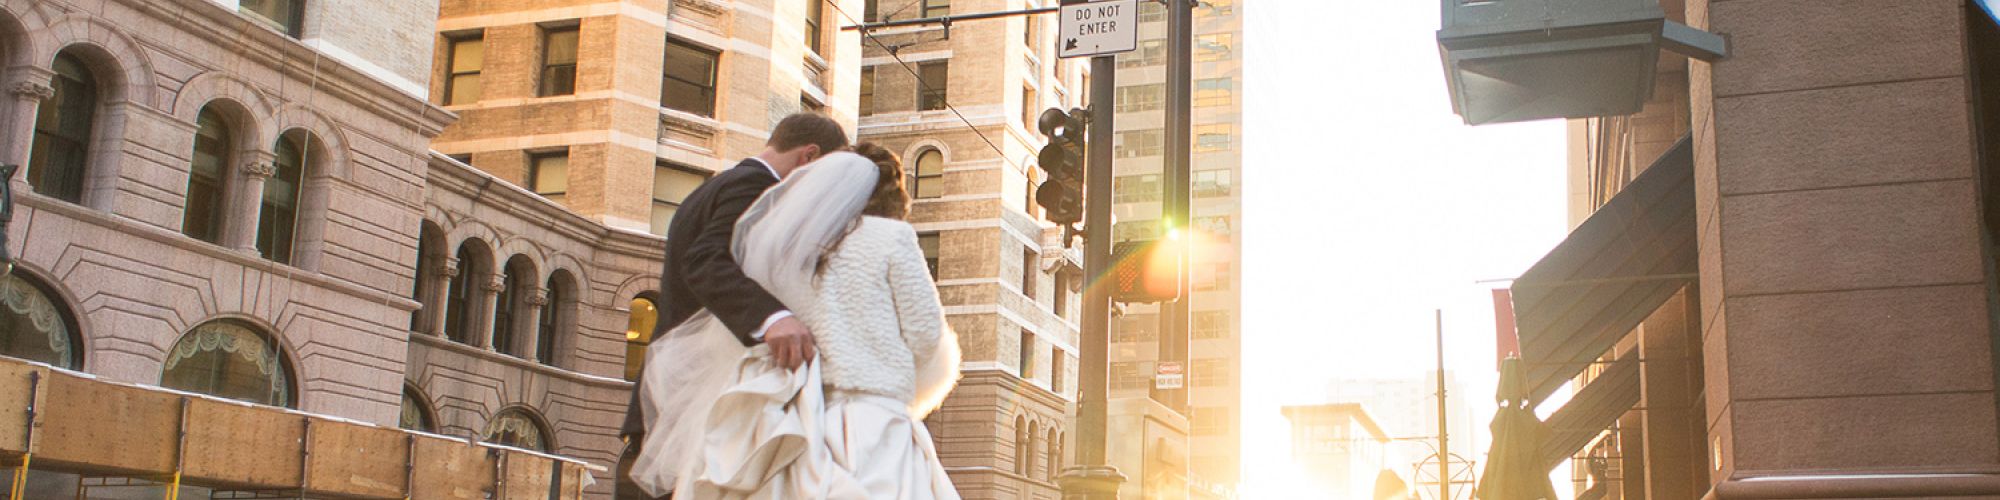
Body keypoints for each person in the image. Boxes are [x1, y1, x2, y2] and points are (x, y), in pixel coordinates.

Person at [630, 144, 961, 499]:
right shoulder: (892, 237)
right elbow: (925, 332)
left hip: (797, 417)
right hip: (874, 420)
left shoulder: (792, 246)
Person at [617, 113, 848, 500]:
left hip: (672, 395)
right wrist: (772, 317)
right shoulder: (756, 187)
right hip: (698, 398)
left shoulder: (714, 187)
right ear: (809, 157)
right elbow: (705, 259)